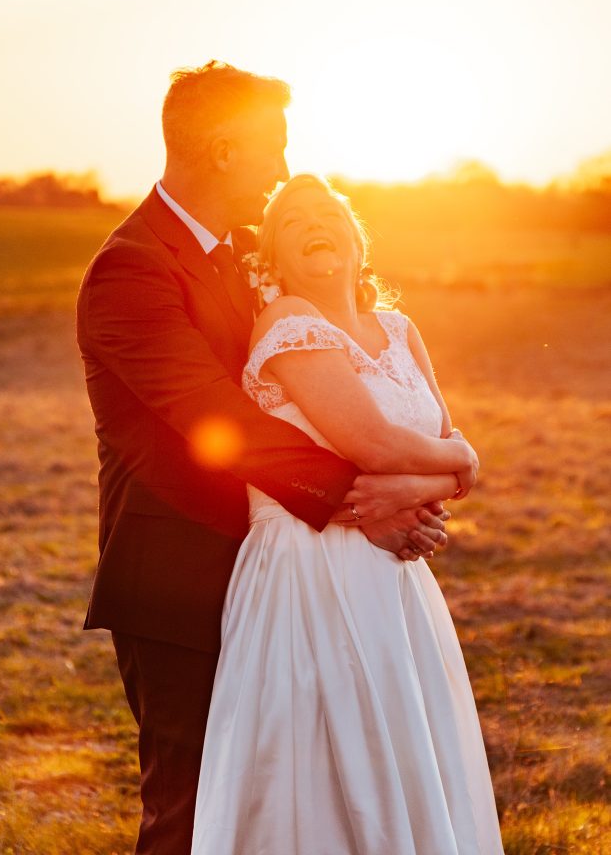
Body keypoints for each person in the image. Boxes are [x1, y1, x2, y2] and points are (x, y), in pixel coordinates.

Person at [76, 62, 461, 855]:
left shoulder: (247, 256)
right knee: (193, 811)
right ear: (222, 150)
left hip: (284, 569)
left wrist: (410, 475)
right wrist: (366, 500)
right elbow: (216, 422)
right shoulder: (131, 269)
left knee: (297, 799)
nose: (282, 172)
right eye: (272, 149)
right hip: (179, 573)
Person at [191, 174, 504, 854]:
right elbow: (374, 442)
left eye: (328, 211)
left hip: (395, 574)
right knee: (326, 761)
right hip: (310, 567)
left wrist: (448, 466)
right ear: (272, 256)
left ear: (357, 238)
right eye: (292, 219)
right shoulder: (288, 324)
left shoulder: (399, 328)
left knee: (403, 740)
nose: (314, 223)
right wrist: (461, 464)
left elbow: (437, 436)